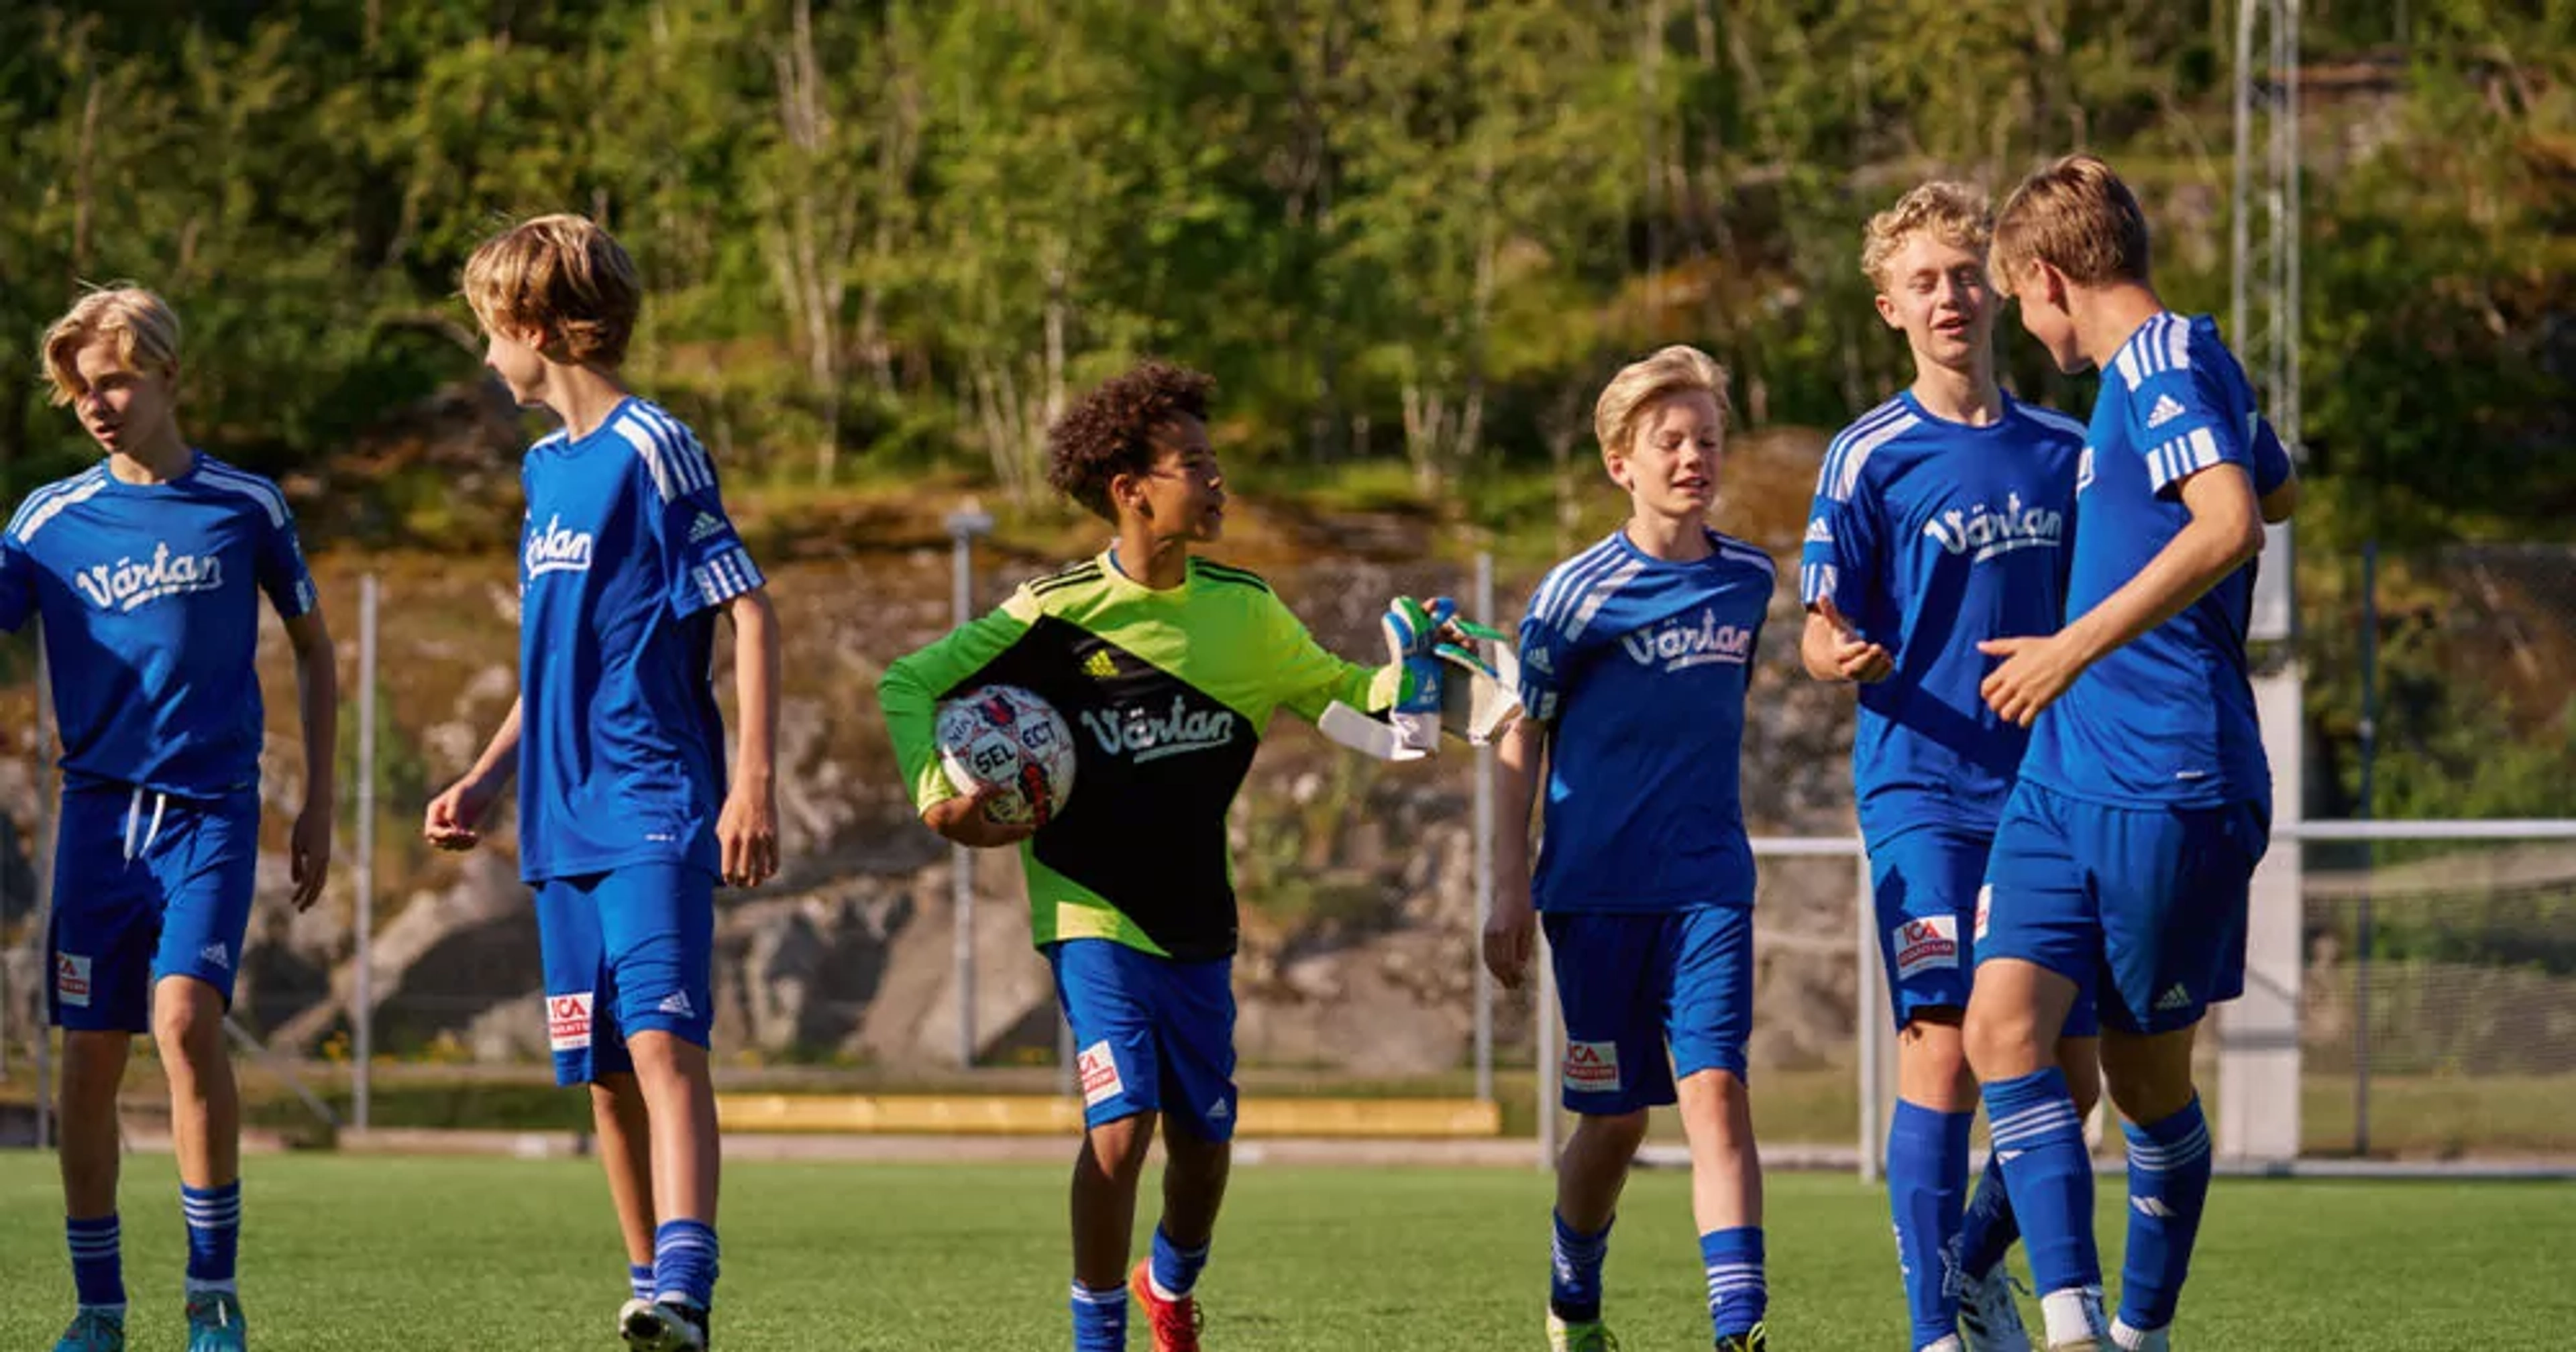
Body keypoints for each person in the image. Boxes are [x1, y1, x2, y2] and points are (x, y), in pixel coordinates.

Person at [878, 359, 1452, 1352]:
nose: (1218, 479)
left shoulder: (1246, 612)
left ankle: (1170, 1282)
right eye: (1194, 464)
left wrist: (1420, 672)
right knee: (1120, 1124)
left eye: (1214, 460)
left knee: (1204, 1149)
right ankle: (1096, 1336)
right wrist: (940, 801)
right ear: (1130, 491)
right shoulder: (1051, 614)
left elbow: (1354, 705)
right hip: (1088, 908)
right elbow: (906, 684)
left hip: (1195, 918)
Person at [423, 214, 781, 1352]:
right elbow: (556, 657)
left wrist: (751, 785)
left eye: (491, 332)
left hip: (652, 798)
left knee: (665, 1043)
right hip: (558, 814)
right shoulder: (545, 471)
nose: (488, 357)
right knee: (605, 1076)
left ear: (536, 327)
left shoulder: (653, 445)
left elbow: (749, 609)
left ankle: (687, 1288)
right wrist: (487, 776)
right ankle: (650, 1300)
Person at [1965, 154, 2298, 1352]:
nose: (2023, 322)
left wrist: (2070, 646)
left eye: (2018, 295)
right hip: (2066, 773)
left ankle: (2140, 1330)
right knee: (2002, 1028)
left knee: (2149, 1088)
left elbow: (2236, 521)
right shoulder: (2176, 363)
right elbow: (2279, 486)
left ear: (2051, 278)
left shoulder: (2160, 363)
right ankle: (2065, 1316)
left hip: (2170, 778)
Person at [1797, 182, 2104, 1352]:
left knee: (2071, 1078)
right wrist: (1835, 654)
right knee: (1941, 1046)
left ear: (1999, 290)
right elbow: (1819, 625)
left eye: (1965, 276)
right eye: (1923, 282)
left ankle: (1974, 1269)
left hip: (2050, 795)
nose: (1949, 298)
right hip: (1922, 788)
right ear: (1890, 307)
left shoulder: (2067, 451)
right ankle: (1932, 1333)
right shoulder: (1867, 455)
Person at [17, 286, 337, 1352]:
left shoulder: (245, 505)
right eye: (79, 390)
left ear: (168, 376)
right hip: (97, 824)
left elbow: (314, 649)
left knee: (186, 1022)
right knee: (88, 1057)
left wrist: (320, 800)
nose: (96, 405)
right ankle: (99, 1307)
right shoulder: (46, 523)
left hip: (211, 813)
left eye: (114, 381)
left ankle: (211, 1294)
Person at [1485, 345, 1779, 1352]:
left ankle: (1738, 1327)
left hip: (1708, 886)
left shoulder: (1749, 579)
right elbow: (1521, 729)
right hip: (1595, 894)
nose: (1695, 457)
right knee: (1615, 1123)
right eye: (1672, 442)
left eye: (1709, 440)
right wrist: (1508, 889)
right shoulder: (1575, 595)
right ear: (1622, 464)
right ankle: (1573, 1289)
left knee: (1716, 1092)